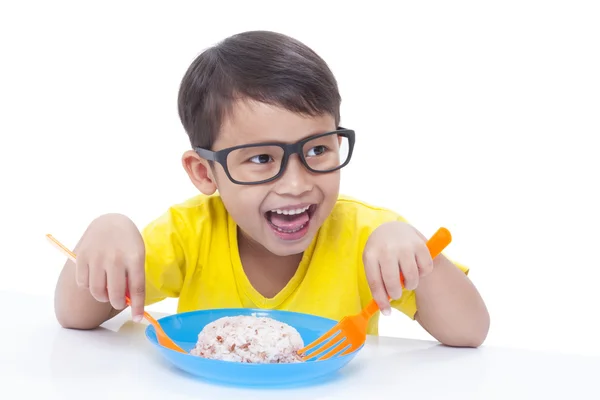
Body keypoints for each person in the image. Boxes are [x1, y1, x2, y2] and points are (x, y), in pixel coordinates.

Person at [54, 30, 489, 347]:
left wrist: (414, 251)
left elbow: (470, 332)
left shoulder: (366, 236)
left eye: (318, 149)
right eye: (262, 158)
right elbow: (76, 316)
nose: (297, 184)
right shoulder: (188, 234)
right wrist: (104, 231)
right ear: (205, 172)